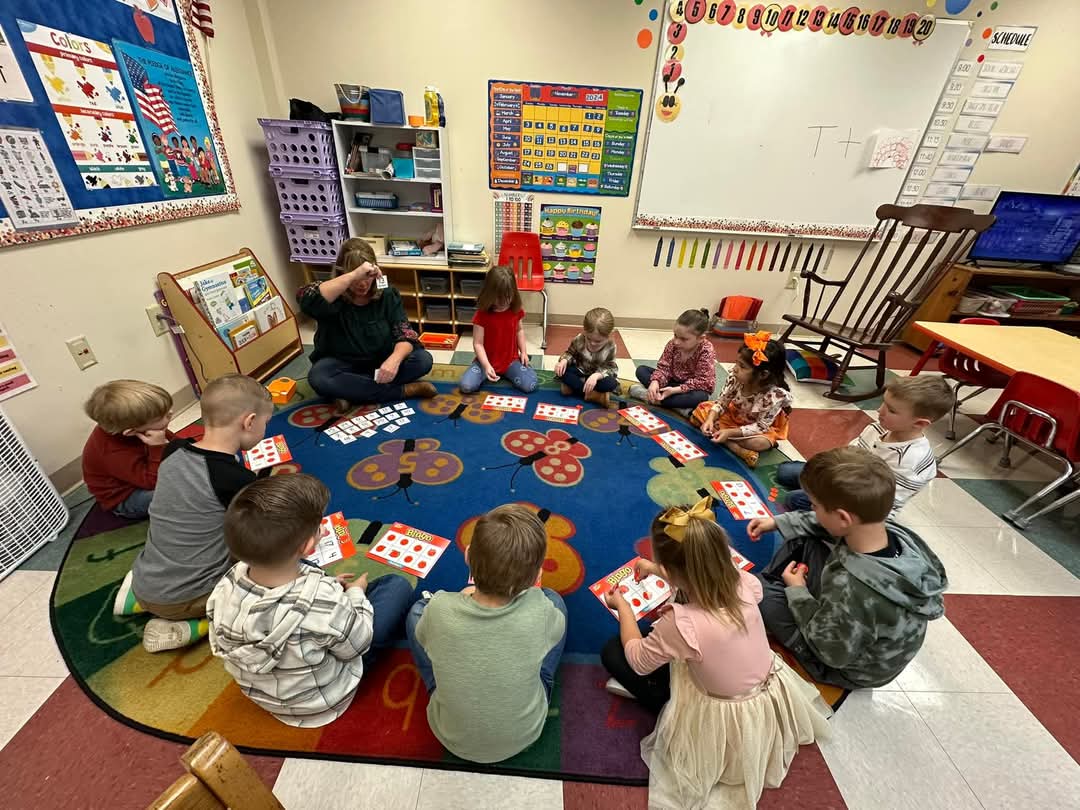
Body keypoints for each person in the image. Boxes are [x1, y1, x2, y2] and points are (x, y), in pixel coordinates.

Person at [600, 497, 831, 809]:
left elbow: (638, 661)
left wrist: (624, 608)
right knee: (671, 643)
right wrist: (657, 570)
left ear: (672, 569)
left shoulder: (681, 624)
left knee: (614, 652)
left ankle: (659, 700)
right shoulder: (745, 581)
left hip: (720, 717)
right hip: (764, 698)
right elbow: (698, 573)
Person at [207, 474, 413, 727]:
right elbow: (358, 645)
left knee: (312, 577)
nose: (324, 530)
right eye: (319, 528)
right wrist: (355, 594)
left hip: (267, 697)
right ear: (307, 546)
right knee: (397, 586)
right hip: (324, 700)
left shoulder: (225, 584)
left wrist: (325, 587)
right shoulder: (324, 601)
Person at [749, 447, 947, 689]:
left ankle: (774, 588)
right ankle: (782, 587)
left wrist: (798, 592)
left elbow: (830, 652)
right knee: (804, 536)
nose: (811, 509)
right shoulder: (884, 531)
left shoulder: (852, 588)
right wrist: (777, 522)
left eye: (815, 506)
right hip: (851, 621)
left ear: (843, 518)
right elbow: (820, 524)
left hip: (844, 668)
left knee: (759, 592)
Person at [113, 374, 273, 653]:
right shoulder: (234, 479)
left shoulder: (173, 450)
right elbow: (262, 534)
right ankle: (195, 625)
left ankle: (135, 599)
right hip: (187, 598)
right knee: (266, 574)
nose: (265, 428)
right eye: (265, 422)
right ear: (249, 422)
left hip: (145, 579)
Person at [405, 505, 567, 763]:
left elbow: (424, 635)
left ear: (468, 556)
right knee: (555, 601)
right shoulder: (540, 608)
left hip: (450, 734)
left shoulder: (439, 607)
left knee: (417, 612)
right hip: (525, 733)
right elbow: (556, 630)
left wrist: (464, 596)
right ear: (536, 577)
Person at [776, 374, 953, 513]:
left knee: (794, 499)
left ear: (919, 423)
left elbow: (882, 505)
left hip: (858, 503)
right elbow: (849, 454)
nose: (879, 411)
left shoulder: (911, 462)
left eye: (891, 410)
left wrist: (829, 494)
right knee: (785, 471)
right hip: (842, 478)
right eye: (883, 403)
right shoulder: (878, 427)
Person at [299, 238, 436, 408]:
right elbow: (305, 297)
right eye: (357, 277)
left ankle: (350, 391)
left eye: (368, 276)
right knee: (319, 377)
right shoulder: (332, 295)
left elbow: (405, 334)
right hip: (343, 364)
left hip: (381, 362)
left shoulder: (387, 294)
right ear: (343, 273)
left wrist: (394, 360)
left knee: (423, 360)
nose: (362, 284)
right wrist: (353, 275)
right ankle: (403, 391)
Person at [694, 331, 793, 468]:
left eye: (742, 366)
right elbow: (721, 402)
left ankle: (732, 445)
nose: (735, 369)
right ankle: (729, 441)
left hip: (755, 427)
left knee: (759, 443)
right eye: (736, 363)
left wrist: (729, 432)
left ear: (763, 375)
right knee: (703, 409)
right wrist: (710, 419)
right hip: (733, 416)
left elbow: (760, 426)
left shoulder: (773, 396)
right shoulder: (735, 379)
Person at [82, 380, 174, 520]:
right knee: (177, 492)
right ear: (131, 432)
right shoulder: (113, 454)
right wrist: (157, 447)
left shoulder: (130, 425)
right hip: (126, 497)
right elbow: (152, 483)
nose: (170, 413)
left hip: (143, 473)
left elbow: (173, 441)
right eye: (162, 416)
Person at [458, 266, 538, 394]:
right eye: (498, 297)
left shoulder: (515, 310)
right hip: (485, 362)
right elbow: (478, 343)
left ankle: (520, 366)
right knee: (466, 386)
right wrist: (486, 366)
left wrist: (523, 352)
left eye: (507, 296)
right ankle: (490, 369)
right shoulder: (482, 314)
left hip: (510, 361)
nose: (503, 302)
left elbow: (519, 331)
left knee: (530, 385)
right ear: (489, 294)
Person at [629, 308, 716, 412]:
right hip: (670, 382)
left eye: (683, 339)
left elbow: (704, 381)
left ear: (700, 338)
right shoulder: (672, 344)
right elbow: (663, 368)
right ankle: (676, 405)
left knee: (701, 397)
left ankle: (651, 397)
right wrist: (655, 382)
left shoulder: (706, 350)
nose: (676, 342)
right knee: (641, 370)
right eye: (675, 335)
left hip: (689, 389)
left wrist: (675, 390)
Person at [554, 306, 621, 408]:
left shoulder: (611, 347)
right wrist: (564, 361)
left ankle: (575, 389)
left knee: (611, 383)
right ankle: (595, 395)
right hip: (580, 373)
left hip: (597, 379)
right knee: (562, 371)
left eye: (598, 341)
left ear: (608, 336)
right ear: (584, 331)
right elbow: (570, 353)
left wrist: (597, 375)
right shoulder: (579, 339)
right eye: (589, 339)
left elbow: (611, 369)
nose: (592, 344)